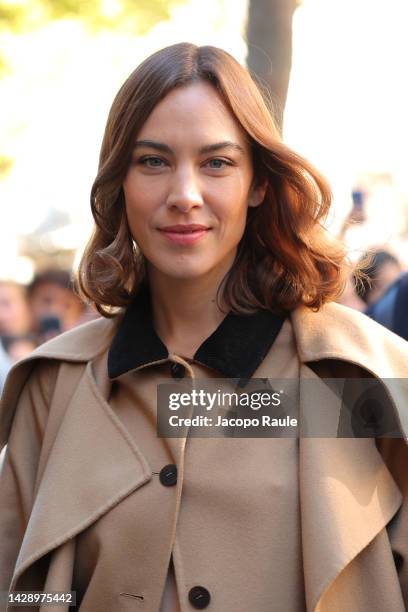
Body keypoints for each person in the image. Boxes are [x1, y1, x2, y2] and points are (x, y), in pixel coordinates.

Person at [1, 43, 408, 612]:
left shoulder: (359, 373)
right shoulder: (53, 388)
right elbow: (20, 590)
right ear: (120, 181)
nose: (184, 195)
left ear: (259, 184)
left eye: (217, 162)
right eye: (153, 161)